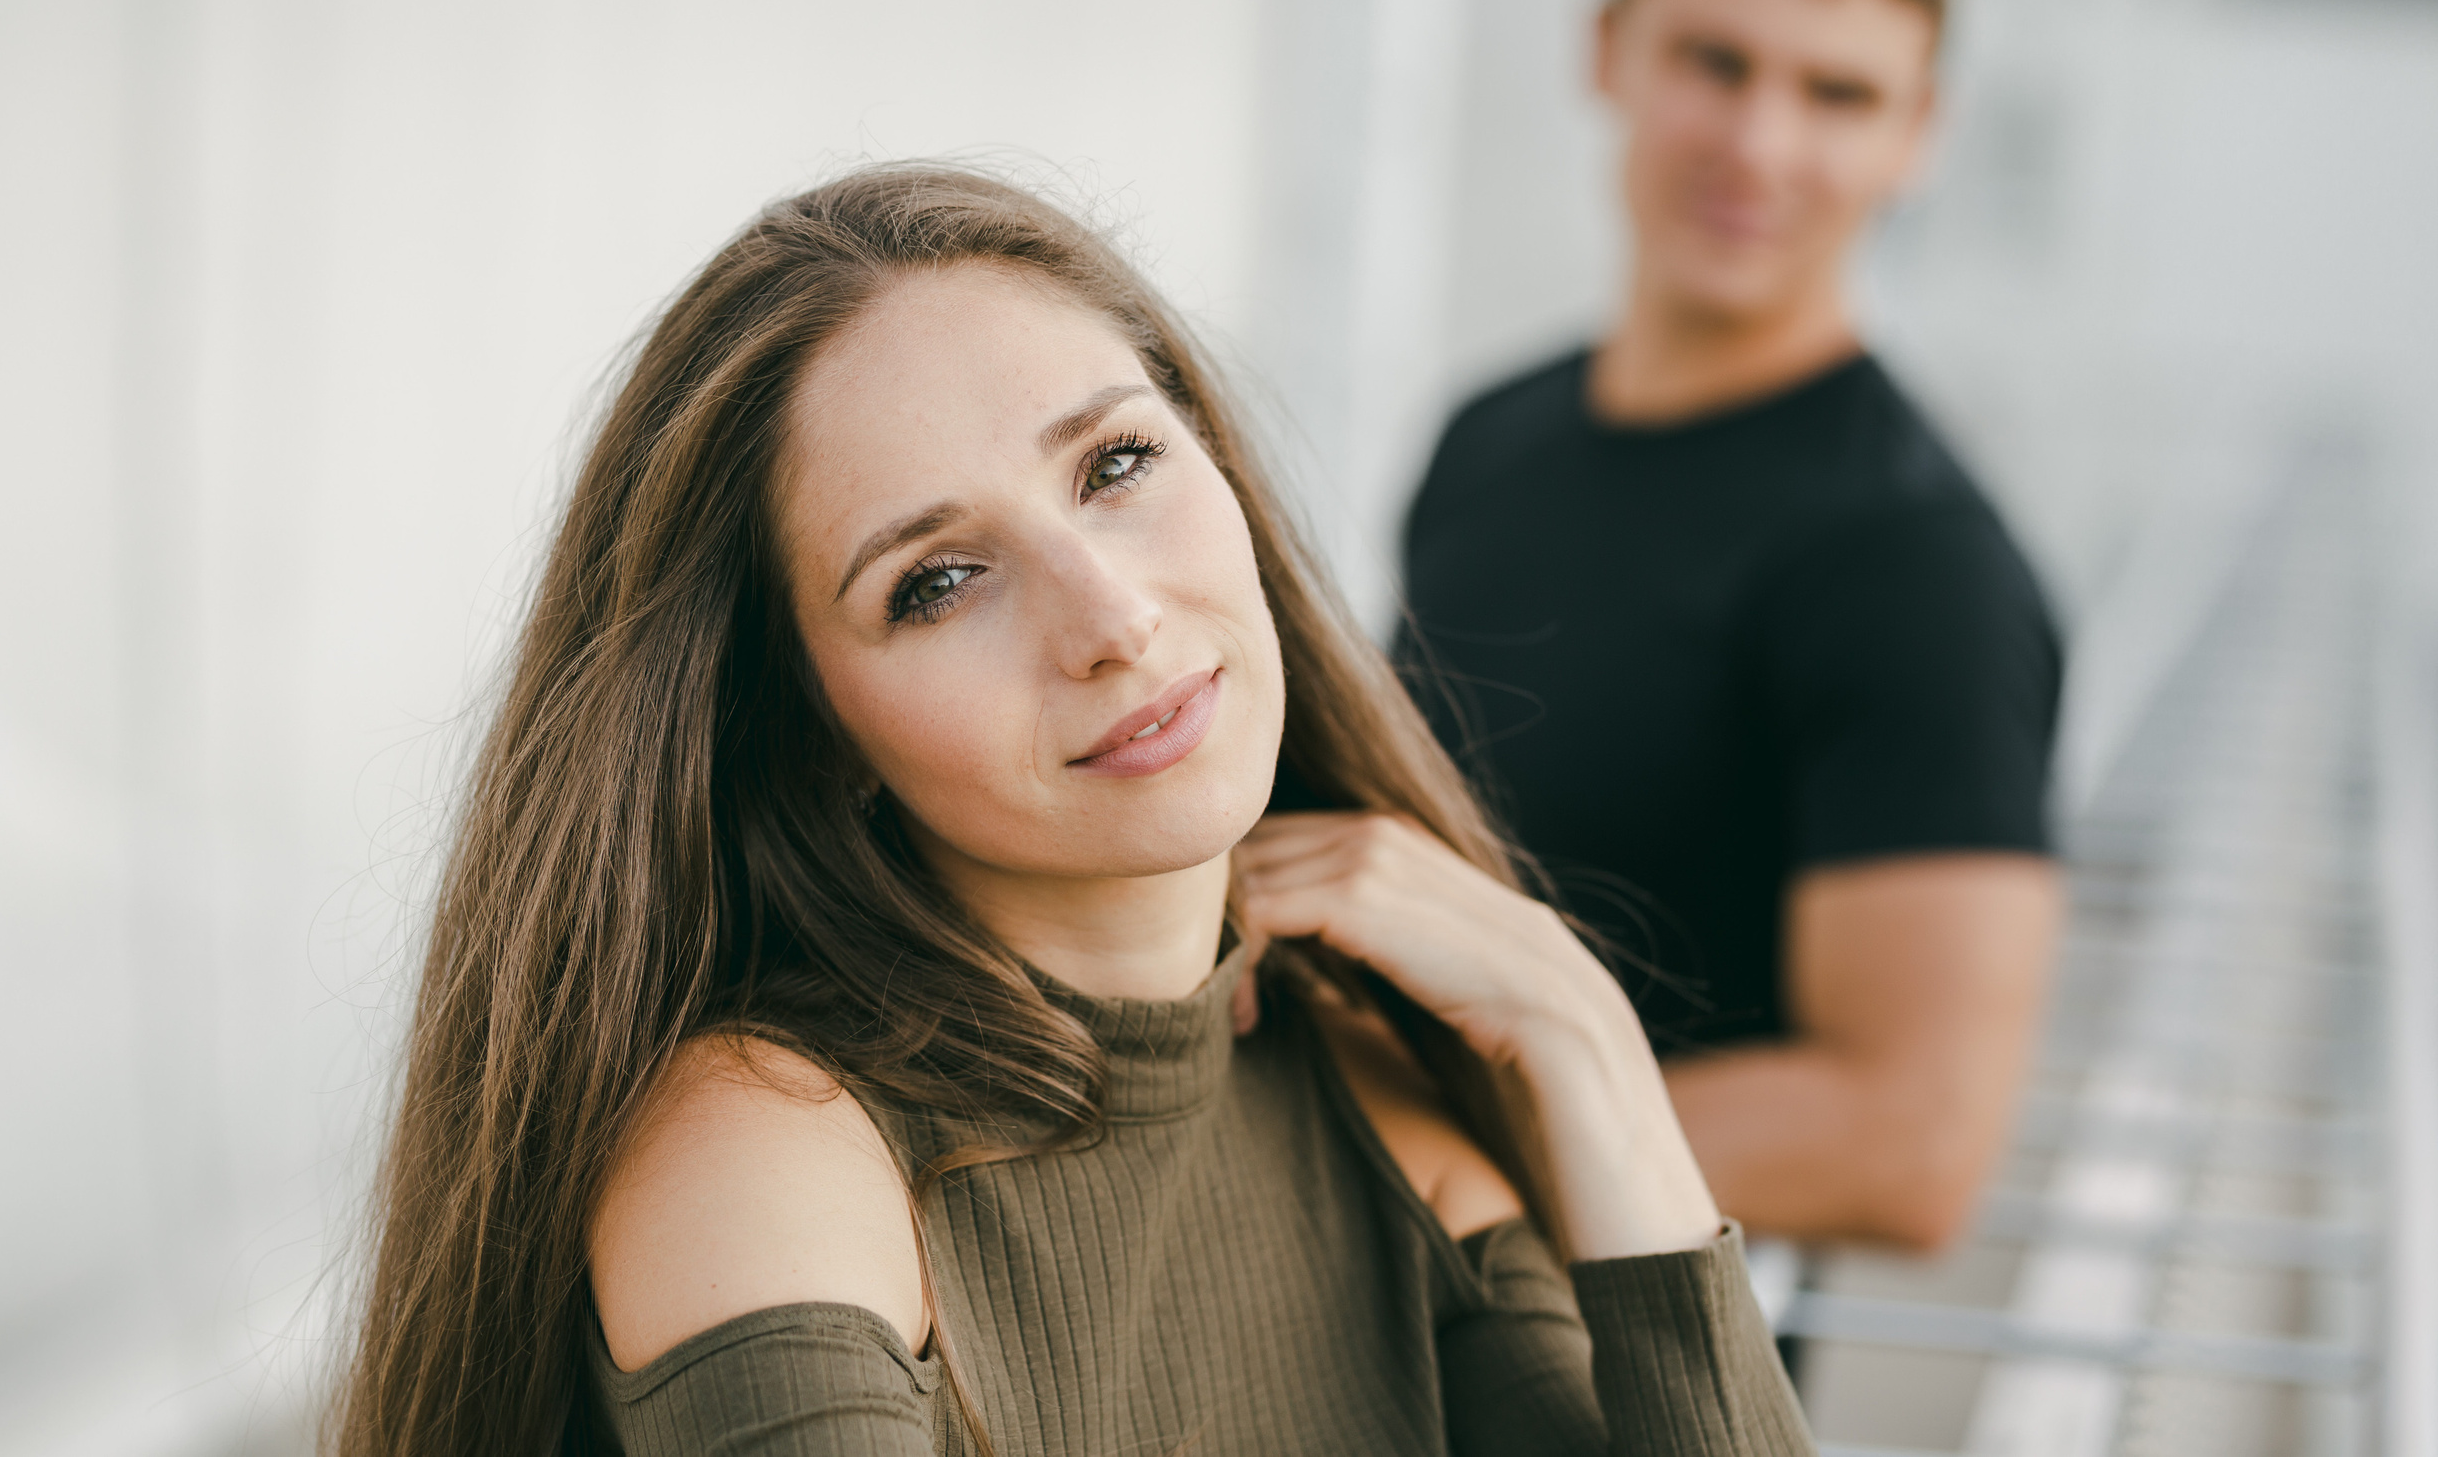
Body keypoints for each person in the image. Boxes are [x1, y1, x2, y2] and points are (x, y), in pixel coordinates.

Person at [330, 164, 1813, 1456]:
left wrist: (1586, 1043)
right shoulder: (771, 1143)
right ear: (811, 734)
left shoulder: (1364, 1082)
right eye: (937, 582)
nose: (1110, 615)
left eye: (1116, 463)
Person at [1394, 0, 2063, 1254]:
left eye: (1838, 93)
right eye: (1715, 62)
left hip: (1618, 1366)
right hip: (1393, 1318)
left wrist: (1423, 1166)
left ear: (1918, 133)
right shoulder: (1491, 437)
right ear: (1608, 49)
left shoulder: (1915, 567)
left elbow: (1909, 1140)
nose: (1760, 144)